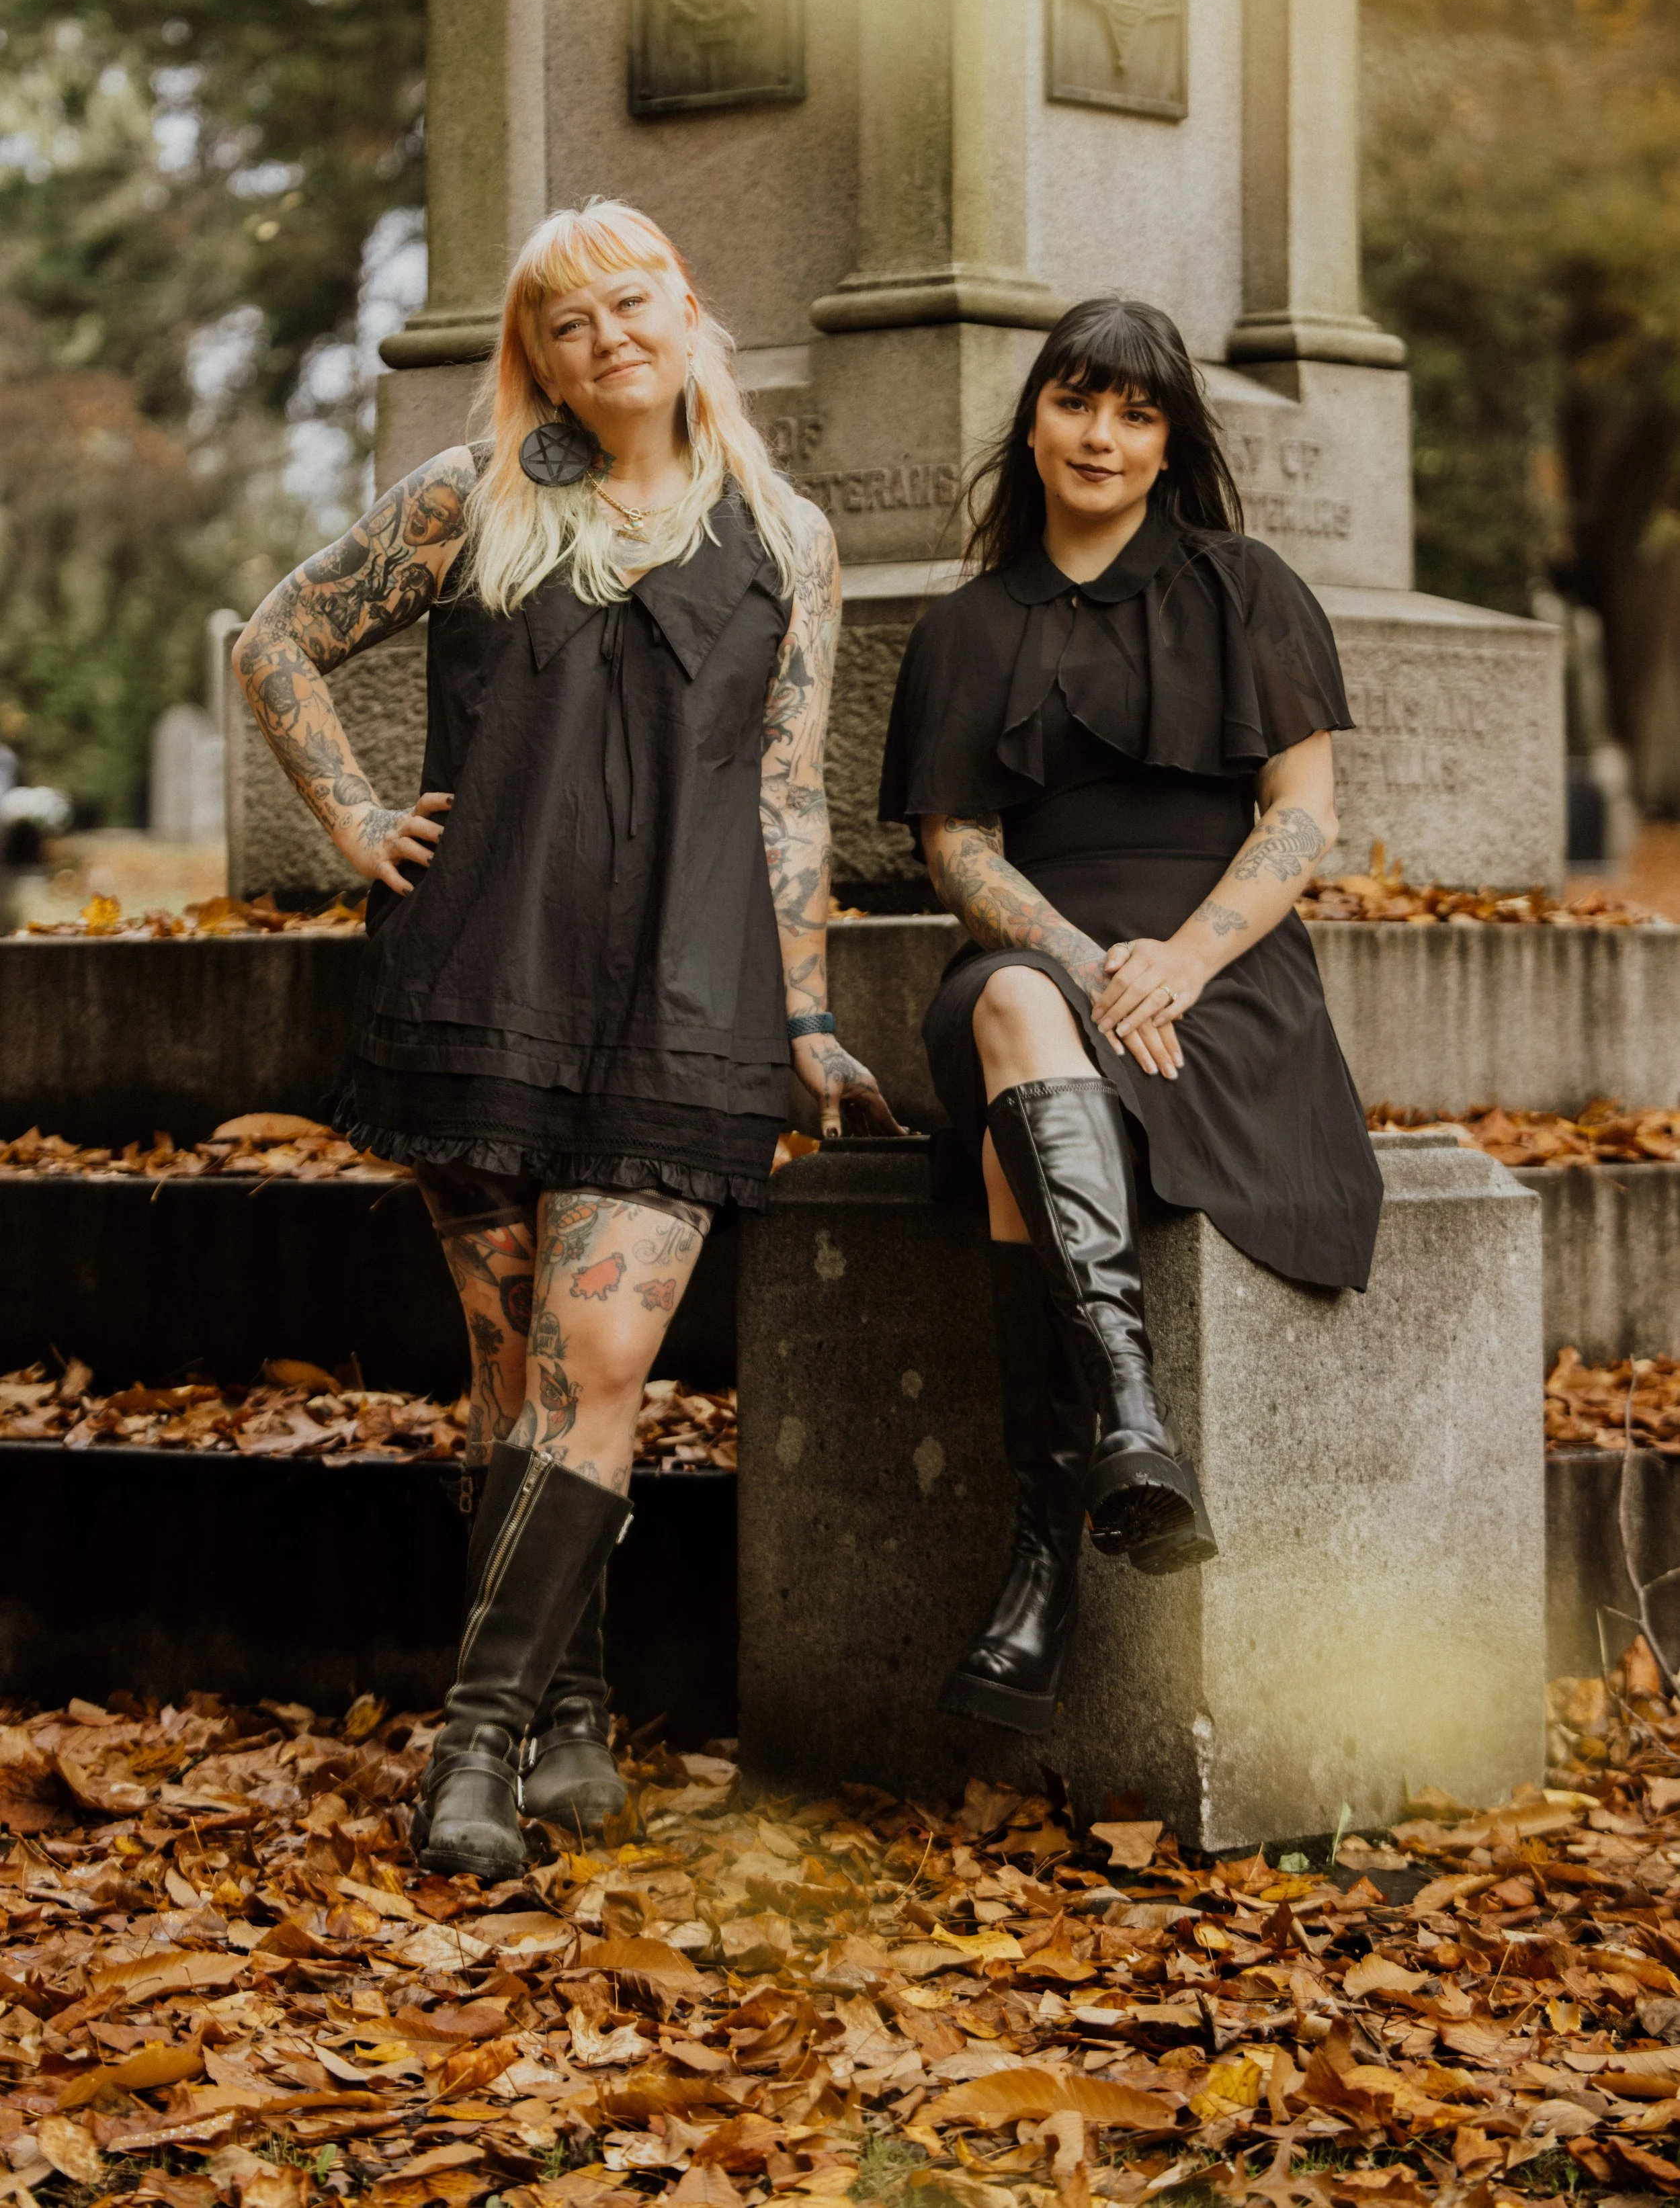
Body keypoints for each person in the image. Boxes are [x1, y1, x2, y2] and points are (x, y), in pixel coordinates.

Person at [235, 198, 896, 1877]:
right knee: (516, 1379)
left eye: (631, 301)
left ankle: (471, 1753)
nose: (607, 337)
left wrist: (805, 1005)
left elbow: (794, 786)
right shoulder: (473, 502)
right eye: (566, 320)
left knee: (597, 1368)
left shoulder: (786, 532)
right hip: (481, 977)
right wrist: (357, 817)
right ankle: (572, 1710)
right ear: (534, 352)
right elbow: (275, 639)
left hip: (687, 1001)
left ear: (688, 310)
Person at [878, 296, 1382, 1736]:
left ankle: (1045, 1558)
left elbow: (1299, 820)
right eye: (1076, 400)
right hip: (1046, 951)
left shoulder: (1244, 585)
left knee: (1005, 1134)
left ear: (1169, 444)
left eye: (1136, 411)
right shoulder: (967, 627)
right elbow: (959, 853)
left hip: (1216, 976)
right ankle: (1134, 1429)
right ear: (1030, 420)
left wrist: (1183, 956)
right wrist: (1091, 956)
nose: (1101, 434)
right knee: (1013, 1005)